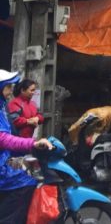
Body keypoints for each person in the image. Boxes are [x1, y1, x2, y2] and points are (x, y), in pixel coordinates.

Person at [0, 70, 53, 224]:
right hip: (18, 146)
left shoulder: (3, 106)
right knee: (26, 183)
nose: (10, 91)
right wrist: (32, 143)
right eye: (7, 87)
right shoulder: (12, 105)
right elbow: (3, 138)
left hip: (14, 151)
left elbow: (40, 115)